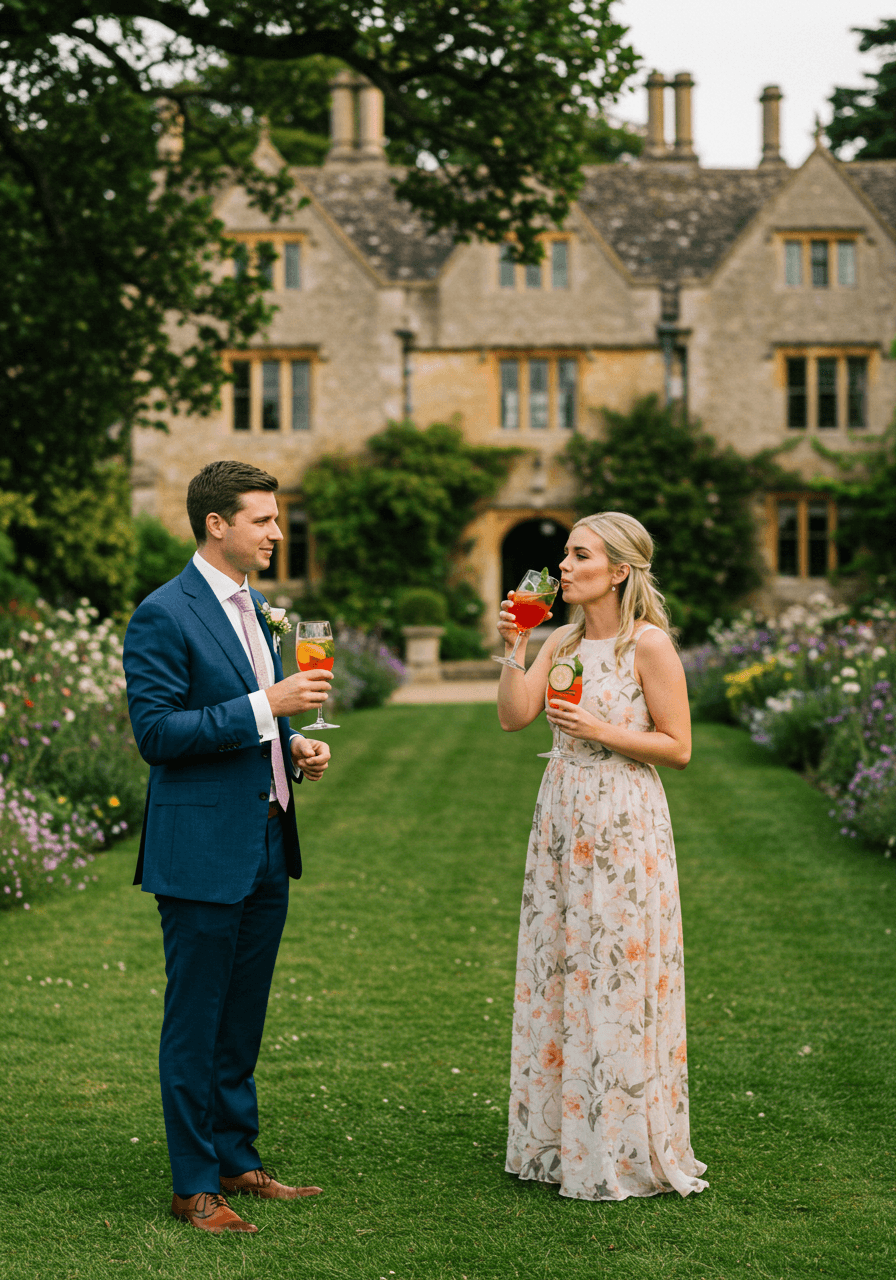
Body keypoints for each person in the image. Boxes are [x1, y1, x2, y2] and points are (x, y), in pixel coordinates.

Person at [123, 460, 334, 1235]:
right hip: (201, 851)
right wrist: (266, 705)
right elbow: (157, 734)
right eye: (263, 520)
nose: (277, 532)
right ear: (217, 525)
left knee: (241, 1017)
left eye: (276, 519)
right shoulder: (163, 614)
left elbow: (256, 721)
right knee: (196, 1021)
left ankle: (236, 1159)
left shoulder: (256, 608)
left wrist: (292, 742)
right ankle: (193, 1186)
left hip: (268, 838)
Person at [497, 511, 707, 1202]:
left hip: (623, 820)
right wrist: (515, 648)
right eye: (565, 554)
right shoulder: (561, 638)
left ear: (618, 570)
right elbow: (514, 716)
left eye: (579, 555)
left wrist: (600, 728)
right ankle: (562, 1138)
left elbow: (678, 747)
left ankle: (621, 1142)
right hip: (561, 814)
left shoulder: (649, 645)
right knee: (562, 964)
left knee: (616, 971)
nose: (563, 565)